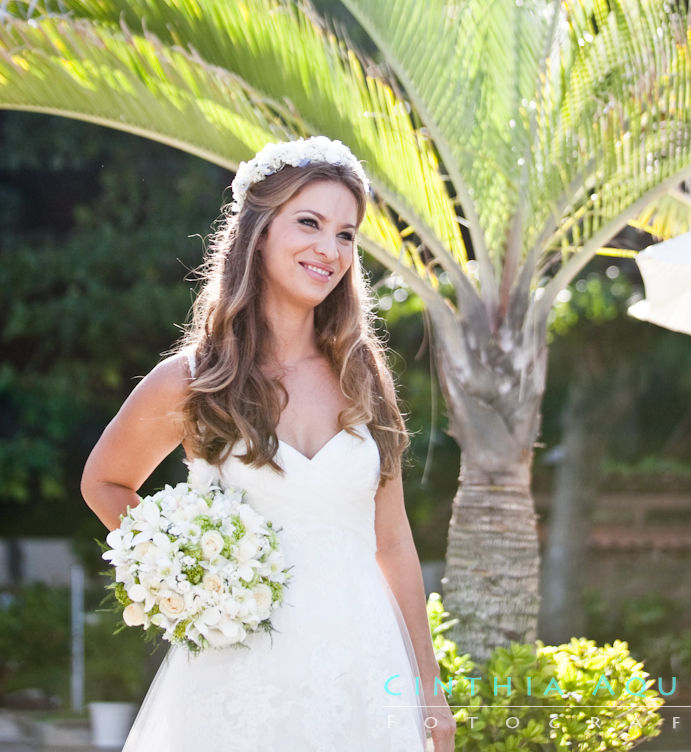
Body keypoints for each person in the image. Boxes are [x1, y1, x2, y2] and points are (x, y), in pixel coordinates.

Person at [81, 136, 456, 752]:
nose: (329, 249)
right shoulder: (196, 377)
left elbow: (392, 541)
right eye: (309, 222)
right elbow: (104, 481)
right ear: (259, 234)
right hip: (239, 669)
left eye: (345, 234)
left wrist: (427, 687)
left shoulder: (363, 375)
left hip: (361, 666)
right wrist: (183, 575)